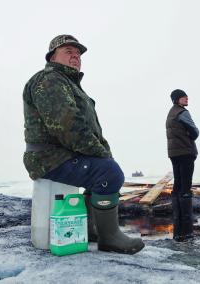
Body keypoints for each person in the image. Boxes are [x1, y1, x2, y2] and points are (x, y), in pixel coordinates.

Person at [23, 34, 144, 254]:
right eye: (69, 52)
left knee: (104, 169)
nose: (76, 56)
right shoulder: (49, 80)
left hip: (61, 154)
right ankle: (109, 238)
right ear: (52, 56)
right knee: (109, 173)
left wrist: (103, 152)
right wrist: (104, 158)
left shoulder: (69, 84)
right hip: (48, 158)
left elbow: (90, 130)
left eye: (78, 54)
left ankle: (92, 229)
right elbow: (69, 127)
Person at [166, 89, 199, 242]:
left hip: (174, 153)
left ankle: (178, 232)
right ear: (177, 99)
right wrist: (191, 135)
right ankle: (187, 233)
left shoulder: (170, 114)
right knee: (185, 188)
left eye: (186, 96)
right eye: (183, 97)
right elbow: (195, 132)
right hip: (186, 152)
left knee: (177, 187)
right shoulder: (182, 112)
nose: (186, 98)